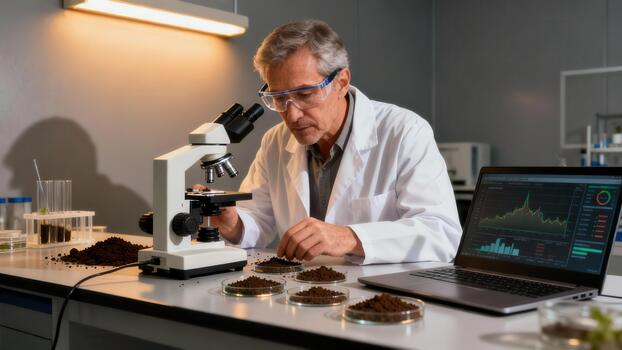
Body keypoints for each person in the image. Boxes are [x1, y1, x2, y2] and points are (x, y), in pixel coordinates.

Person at [207, 19, 461, 264]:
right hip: (302, 295)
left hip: (380, 297)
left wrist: (350, 237)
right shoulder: (275, 141)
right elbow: (257, 220)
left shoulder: (405, 131)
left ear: (341, 82)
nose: (292, 115)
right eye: (279, 98)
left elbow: (441, 232)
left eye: (304, 94)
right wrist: (234, 224)